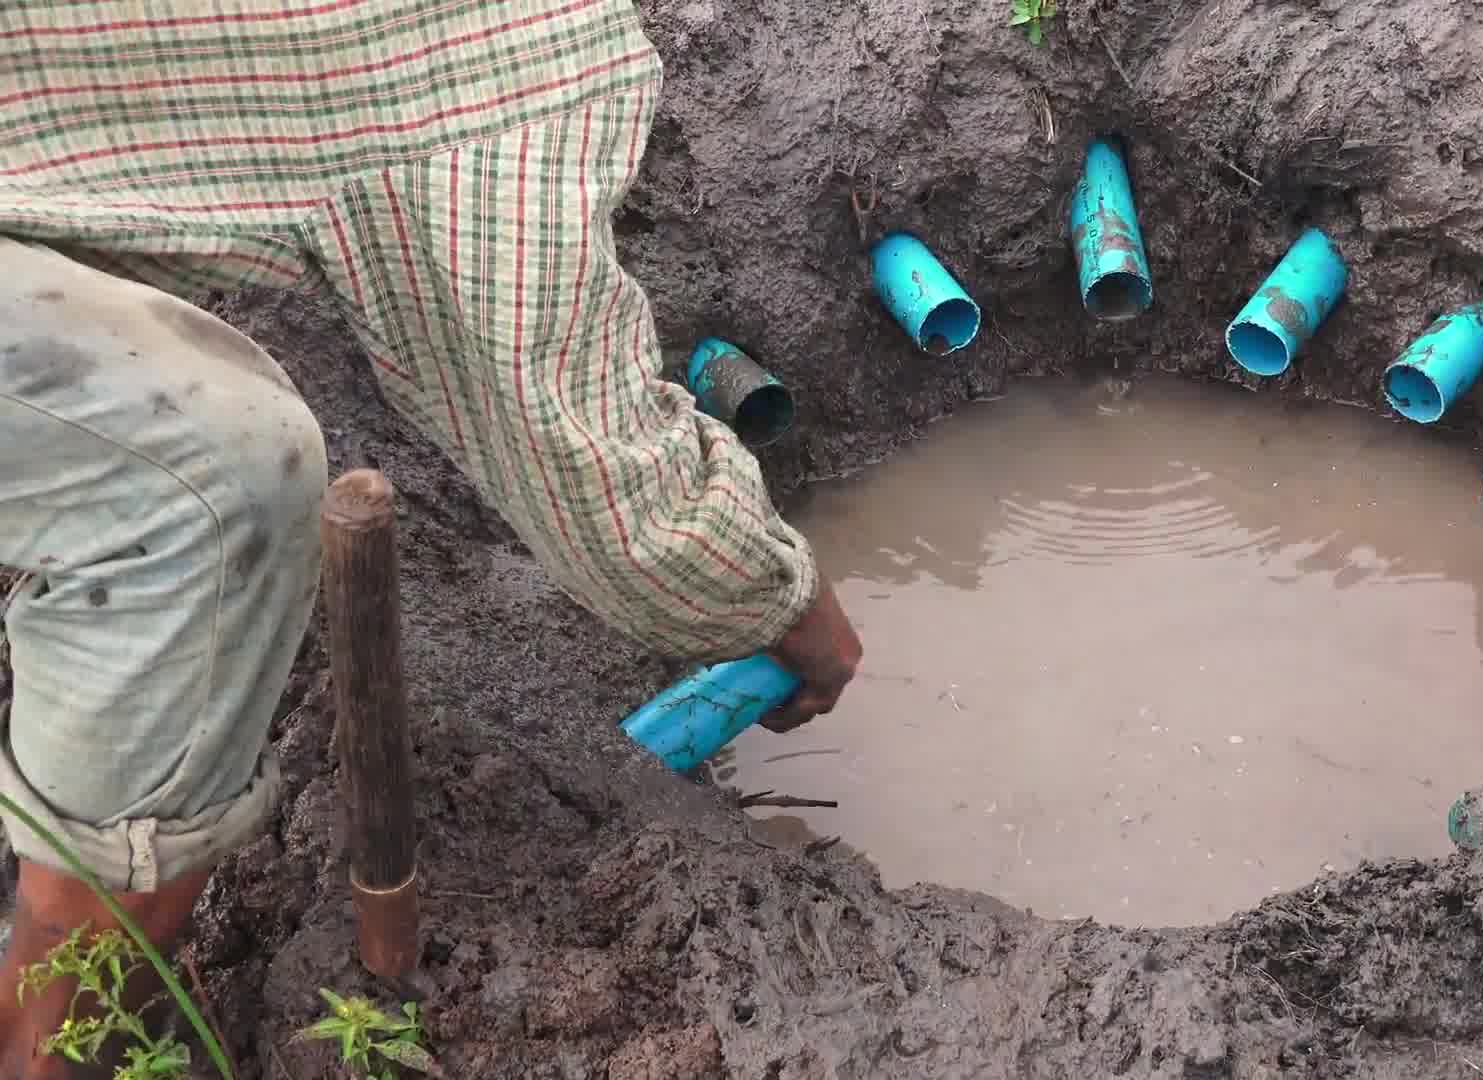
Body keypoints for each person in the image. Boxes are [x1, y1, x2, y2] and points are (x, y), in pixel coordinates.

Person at [0, 2, 862, 1074]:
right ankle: (55, 1050)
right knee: (211, 484)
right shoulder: (502, 41)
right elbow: (591, 472)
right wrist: (787, 604)